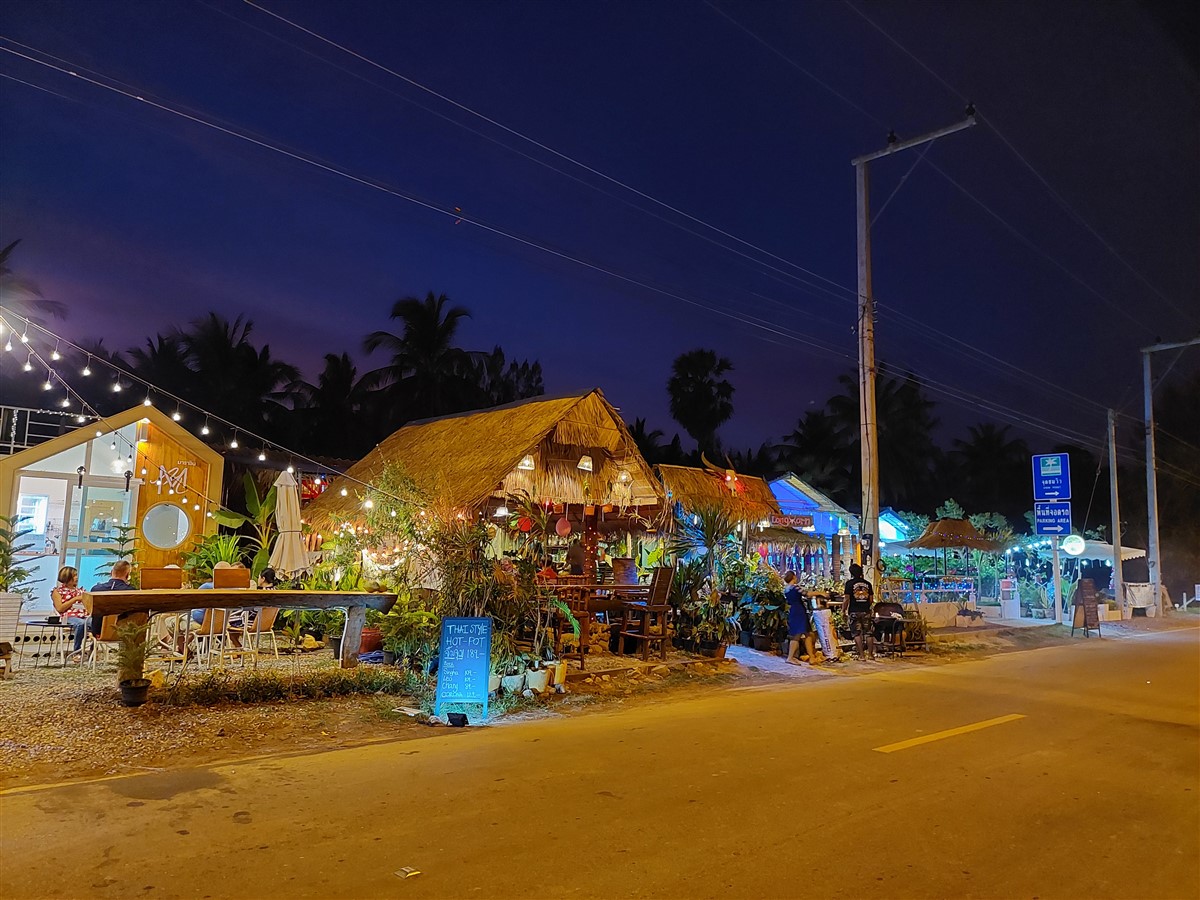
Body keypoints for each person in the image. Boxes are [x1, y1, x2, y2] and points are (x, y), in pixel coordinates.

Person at [51, 566, 88, 660]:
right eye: (74, 575)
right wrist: (74, 599)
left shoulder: (81, 591)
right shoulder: (58, 591)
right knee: (81, 624)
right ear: (67, 577)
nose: (77, 577)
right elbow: (60, 608)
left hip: (84, 615)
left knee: (98, 621)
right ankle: (77, 652)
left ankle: (93, 649)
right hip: (68, 616)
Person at [783, 571, 819, 667]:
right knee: (799, 634)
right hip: (799, 611)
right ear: (793, 577)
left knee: (805, 633)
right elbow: (807, 594)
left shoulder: (786, 589)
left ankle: (811, 657)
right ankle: (791, 657)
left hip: (793, 611)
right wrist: (821, 593)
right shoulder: (795, 587)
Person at [841, 562, 876, 660]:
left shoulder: (849, 584)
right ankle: (870, 655)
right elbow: (871, 599)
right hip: (866, 611)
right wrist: (866, 606)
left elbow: (846, 599)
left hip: (854, 611)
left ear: (851, 573)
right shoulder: (868, 584)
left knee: (856, 633)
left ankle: (861, 655)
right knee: (869, 633)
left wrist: (843, 610)